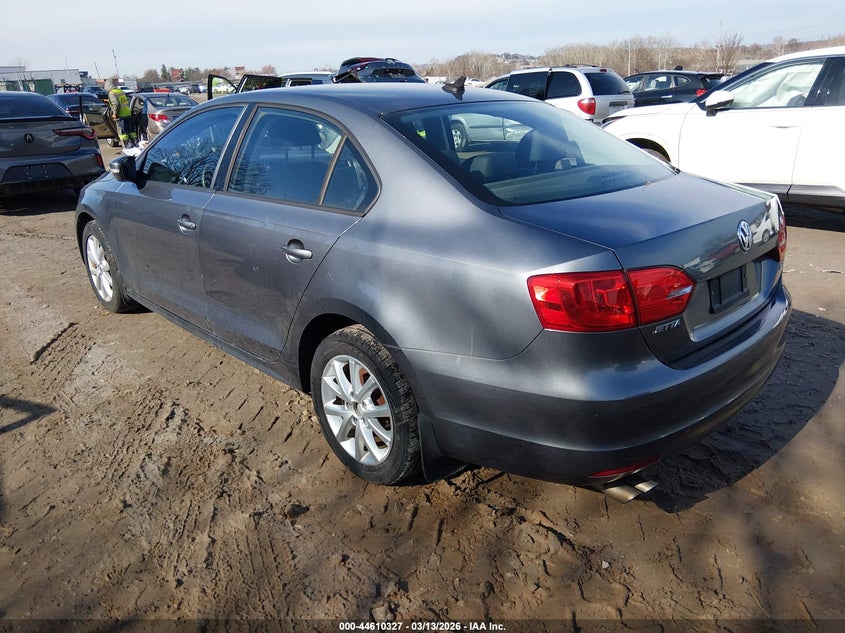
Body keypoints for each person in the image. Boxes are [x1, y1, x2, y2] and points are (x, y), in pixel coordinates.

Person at [105, 78, 137, 149]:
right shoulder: (120, 91)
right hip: (128, 113)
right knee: (131, 131)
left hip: (121, 115)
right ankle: (135, 144)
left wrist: (115, 114)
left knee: (123, 133)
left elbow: (116, 104)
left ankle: (127, 146)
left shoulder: (112, 93)